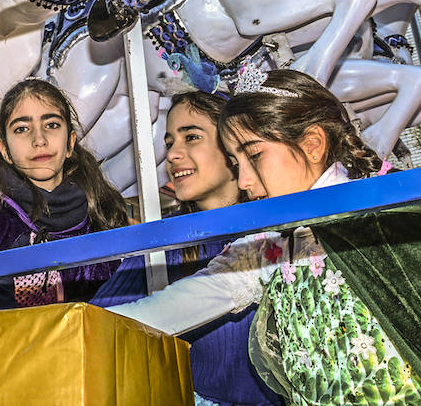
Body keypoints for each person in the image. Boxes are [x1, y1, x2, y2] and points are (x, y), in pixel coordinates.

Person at [110, 69, 421, 406]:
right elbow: (174, 307)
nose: (246, 182)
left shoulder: (386, 219)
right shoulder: (273, 245)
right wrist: (64, 326)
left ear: (312, 143)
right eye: (236, 164)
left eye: (254, 157)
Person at [92, 91, 282, 406]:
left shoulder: (276, 230)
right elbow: (99, 320)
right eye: (169, 144)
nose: (173, 155)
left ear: (232, 145)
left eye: (191, 137)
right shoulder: (163, 243)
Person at [0, 78, 127, 318]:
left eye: (52, 125)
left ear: (70, 143)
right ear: (5, 150)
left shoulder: (100, 211)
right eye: (22, 129)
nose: (39, 139)